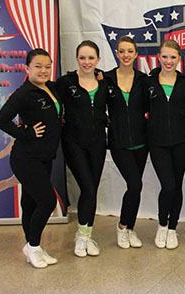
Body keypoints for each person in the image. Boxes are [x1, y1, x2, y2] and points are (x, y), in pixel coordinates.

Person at [0, 48, 62, 268]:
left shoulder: (50, 87)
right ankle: (32, 247)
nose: (43, 70)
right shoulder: (24, 93)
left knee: (31, 203)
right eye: (38, 66)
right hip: (26, 158)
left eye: (47, 66)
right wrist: (26, 133)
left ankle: (34, 246)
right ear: (27, 68)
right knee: (47, 201)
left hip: (44, 156)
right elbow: (1, 120)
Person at [56, 40, 108, 258]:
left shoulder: (104, 81)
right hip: (74, 143)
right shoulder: (66, 82)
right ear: (77, 59)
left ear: (98, 60)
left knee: (92, 190)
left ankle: (87, 235)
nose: (87, 62)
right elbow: (46, 95)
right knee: (87, 187)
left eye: (91, 58)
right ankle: (80, 235)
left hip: (98, 143)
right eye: (82, 57)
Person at [146, 39, 185, 249]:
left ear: (179, 59)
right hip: (157, 142)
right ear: (159, 57)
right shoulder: (148, 81)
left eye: (173, 57)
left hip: (181, 141)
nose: (168, 61)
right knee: (168, 185)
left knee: (177, 185)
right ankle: (162, 224)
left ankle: (173, 228)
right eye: (164, 56)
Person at [104, 36, 149, 249]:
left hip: (141, 142)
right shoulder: (106, 79)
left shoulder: (143, 79)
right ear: (117, 53)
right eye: (122, 51)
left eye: (130, 51)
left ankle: (130, 229)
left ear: (136, 54)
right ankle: (122, 226)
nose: (126, 55)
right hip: (119, 143)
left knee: (136, 187)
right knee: (135, 183)